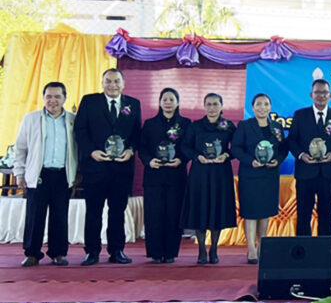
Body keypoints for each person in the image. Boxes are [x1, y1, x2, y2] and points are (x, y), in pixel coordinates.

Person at [74, 68, 142, 266]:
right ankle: (92, 252)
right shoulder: (89, 101)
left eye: (116, 81)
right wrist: (91, 152)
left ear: (123, 84)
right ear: (102, 83)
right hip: (95, 167)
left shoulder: (133, 104)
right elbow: (80, 130)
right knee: (93, 211)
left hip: (122, 169)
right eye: (108, 81)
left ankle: (117, 250)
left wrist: (130, 150)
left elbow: (137, 134)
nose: (113, 85)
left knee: (117, 212)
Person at [14, 82, 77, 267]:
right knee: (35, 216)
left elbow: (78, 149)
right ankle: (32, 253)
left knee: (60, 216)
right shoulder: (31, 119)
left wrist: (78, 173)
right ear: (43, 98)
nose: (52, 100)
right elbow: (20, 148)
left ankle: (58, 253)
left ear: (65, 98)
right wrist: (19, 173)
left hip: (62, 175)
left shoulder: (73, 120)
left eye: (57, 96)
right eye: (49, 96)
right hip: (38, 175)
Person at [232, 93, 289, 263]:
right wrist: (251, 161)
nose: (262, 107)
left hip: (269, 175)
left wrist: (277, 161)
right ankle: (251, 248)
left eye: (265, 104)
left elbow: (283, 149)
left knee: (265, 211)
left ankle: (261, 245)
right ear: (253, 107)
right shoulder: (245, 125)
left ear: (270, 107)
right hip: (250, 174)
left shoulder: (277, 127)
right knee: (250, 212)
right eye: (258, 104)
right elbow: (236, 148)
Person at [181, 93, 237, 264]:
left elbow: (237, 148)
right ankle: (201, 250)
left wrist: (226, 155)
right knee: (200, 209)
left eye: (215, 104)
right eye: (209, 104)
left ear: (221, 106)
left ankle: (214, 249)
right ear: (204, 106)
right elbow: (185, 146)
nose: (212, 108)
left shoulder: (228, 126)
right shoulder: (195, 126)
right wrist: (197, 157)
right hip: (200, 173)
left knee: (217, 209)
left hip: (221, 173)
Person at [287, 79, 331, 237]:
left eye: (325, 92)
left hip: (328, 173)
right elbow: (292, 140)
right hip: (305, 172)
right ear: (311, 95)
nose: (321, 96)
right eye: (317, 92)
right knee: (303, 214)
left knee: (326, 215)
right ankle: (303, 248)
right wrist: (302, 155)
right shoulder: (300, 115)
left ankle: (324, 248)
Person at [138, 88, 191, 264]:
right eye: (165, 99)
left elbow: (189, 146)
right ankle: (155, 252)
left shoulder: (185, 124)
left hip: (176, 176)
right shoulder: (150, 124)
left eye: (171, 99)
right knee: (154, 214)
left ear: (178, 102)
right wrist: (149, 161)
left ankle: (170, 253)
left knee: (173, 215)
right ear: (160, 102)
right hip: (154, 176)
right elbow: (142, 147)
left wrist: (181, 160)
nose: (168, 103)